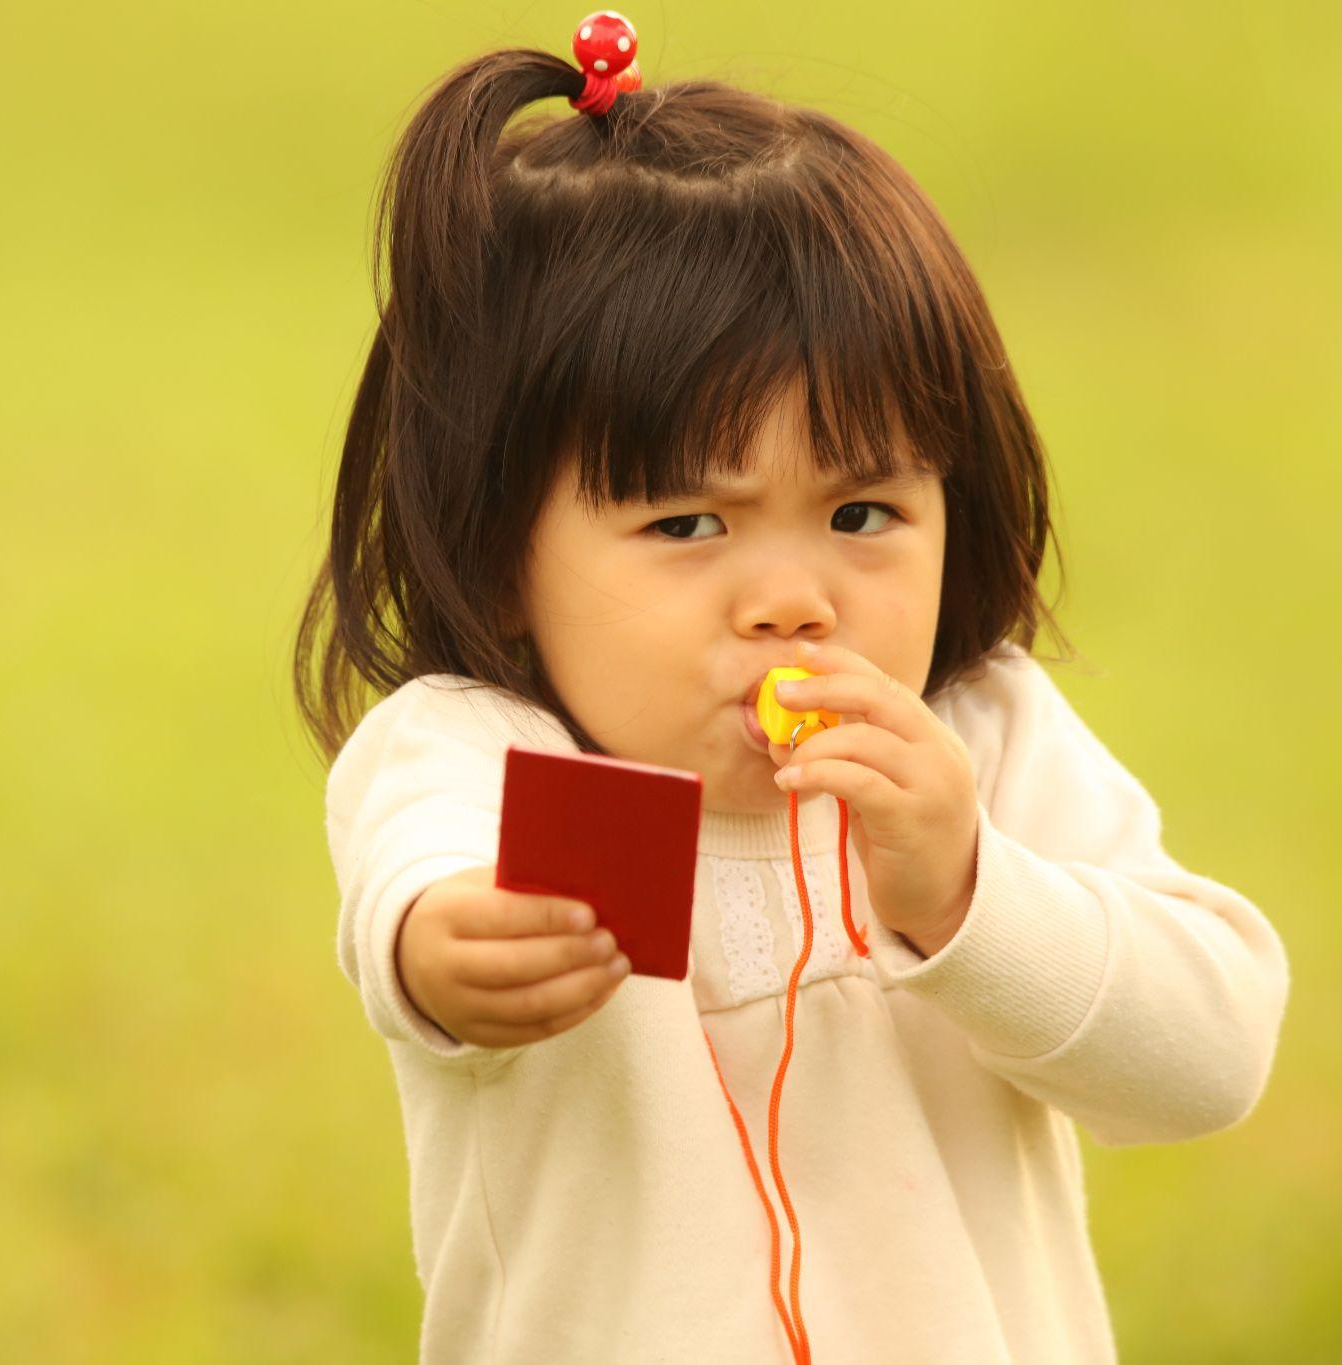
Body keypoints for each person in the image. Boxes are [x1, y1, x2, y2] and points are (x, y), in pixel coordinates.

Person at [292, 16, 1291, 1365]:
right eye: (689, 527)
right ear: (500, 550)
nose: (793, 600)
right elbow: (425, 884)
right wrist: (450, 948)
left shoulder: (983, 744)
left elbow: (1209, 1061)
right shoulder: (490, 760)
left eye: (864, 510)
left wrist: (965, 892)